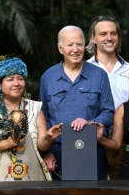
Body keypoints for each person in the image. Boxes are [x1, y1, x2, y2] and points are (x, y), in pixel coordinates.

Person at [0, 57, 62, 194]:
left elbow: (42, 146)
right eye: (10, 79)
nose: (16, 83)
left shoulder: (35, 108)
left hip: (30, 175)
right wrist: (6, 144)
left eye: (20, 78)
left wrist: (49, 138)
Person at [40, 25, 115, 180]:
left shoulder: (99, 75)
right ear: (60, 48)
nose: (75, 49)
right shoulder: (48, 77)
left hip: (92, 149)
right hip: (58, 153)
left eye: (79, 44)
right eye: (70, 45)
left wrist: (92, 123)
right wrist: (46, 152)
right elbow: (42, 117)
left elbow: (108, 111)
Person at [86, 15, 129, 179]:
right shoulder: (84, 70)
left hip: (125, 143)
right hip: (91, 140)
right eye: (103, 33)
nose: (109, 38)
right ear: (94, 38)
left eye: (113, 33)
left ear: (118, 38)